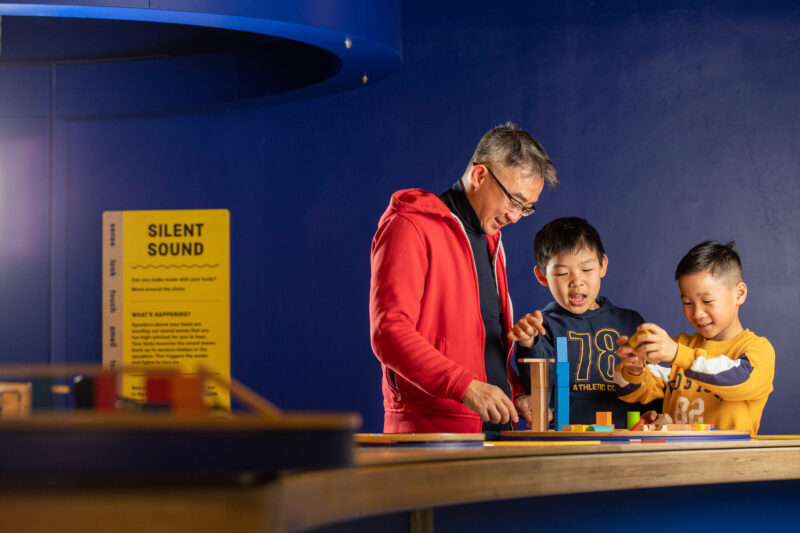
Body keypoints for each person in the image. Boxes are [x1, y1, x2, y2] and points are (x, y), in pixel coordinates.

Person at [369, 123, 558, 434]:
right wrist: (465, 387)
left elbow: (484, 343)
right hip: (431, 433)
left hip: (496, 431)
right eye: (513, 200)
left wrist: (515, 394)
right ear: (480, 176)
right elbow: (389, 333)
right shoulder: (409, 227)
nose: (514, 216)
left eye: (526, 208)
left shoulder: (491, 240)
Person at [509, 217, 657, 429]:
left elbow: (650, 383)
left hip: (626, 438)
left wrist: (654, 412)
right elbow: (538, 387)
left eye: (586, 270)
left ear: (602, 266)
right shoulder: (543, 326)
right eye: (561, 273)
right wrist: (528, 344)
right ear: (542, 276)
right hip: (566, 440)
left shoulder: (630, 321)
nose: (576, 281)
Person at [614, 240, 775, 434]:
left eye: (707, 301)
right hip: (677, 460)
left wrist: (678, 355)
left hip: (729, 461)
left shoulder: (757, 349)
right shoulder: (680, 346)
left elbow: (738, 379)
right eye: (688, 303)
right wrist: (634, 369)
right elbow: (629, 392)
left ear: (739, 294)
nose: (697, 313)